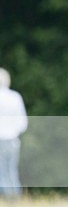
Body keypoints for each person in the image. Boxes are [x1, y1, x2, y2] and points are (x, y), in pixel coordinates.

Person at [0, 68, 28, 197]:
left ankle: (8, 202)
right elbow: (23, 123)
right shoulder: (15, 97)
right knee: (12, 171)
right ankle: (16, 199)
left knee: (2, 172)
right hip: (13, 140)